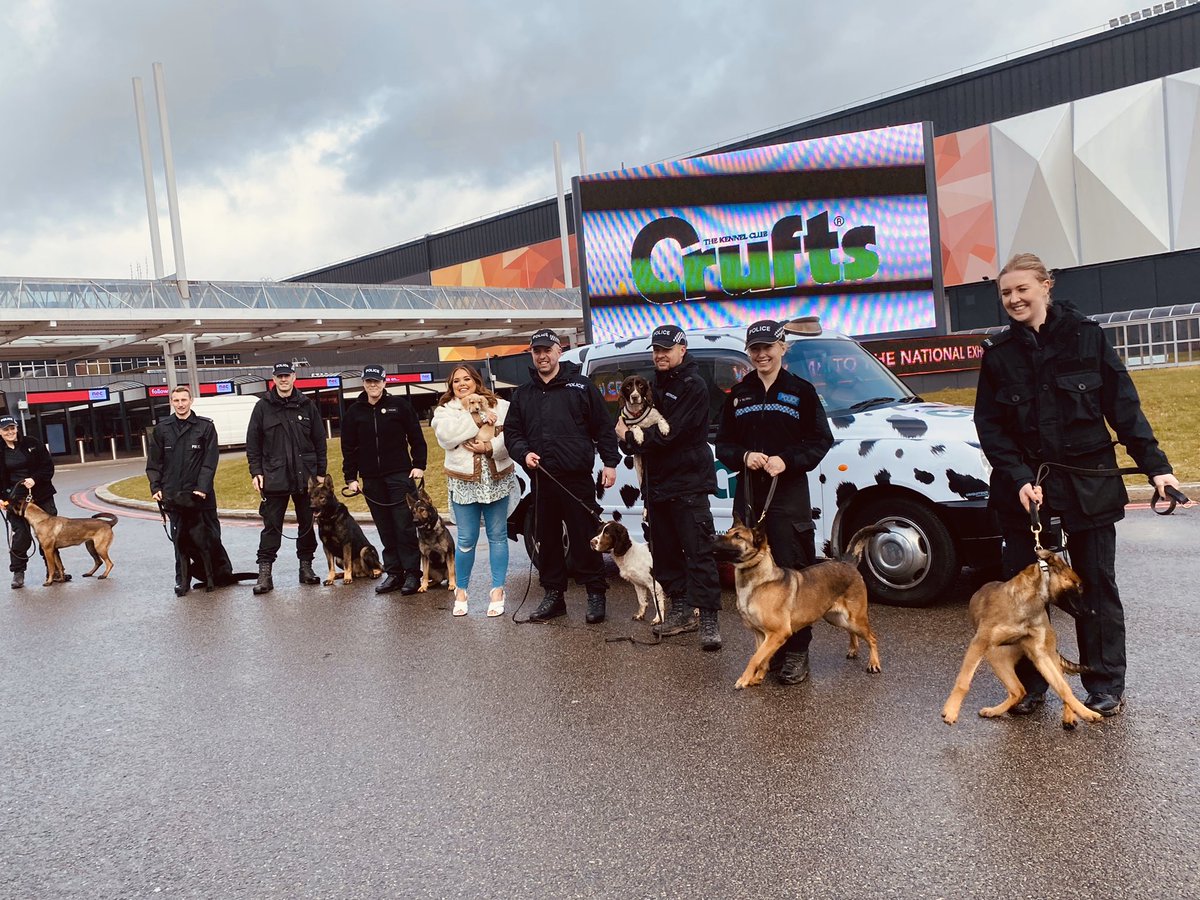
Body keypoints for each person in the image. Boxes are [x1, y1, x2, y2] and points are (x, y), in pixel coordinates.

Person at [973, 252, 1181, 718]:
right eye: (1005, 293)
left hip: (1088, 487)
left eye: (1022, 289)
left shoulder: (1088, 337)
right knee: (1023, 596)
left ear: (1046, 285)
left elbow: (1123, 407)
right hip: (1026, 494)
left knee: (1096, 586)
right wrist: (1021, 477)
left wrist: (1157, 468)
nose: (1013, 299)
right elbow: (990, 426)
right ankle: (1031, 686)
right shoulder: (999, 354)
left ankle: (1104, 684)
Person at [715, 319, 834, 682]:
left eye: (768, 347)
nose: (761, 354)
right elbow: (724, 445)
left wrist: (789, 459)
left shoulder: (801, 391)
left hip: (788, 500)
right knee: (751, 575)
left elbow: (820, 440)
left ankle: (797, 651)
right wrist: (744, 455)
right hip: (749, 500)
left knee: (795, 574)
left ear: (783, 347)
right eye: (755, 349)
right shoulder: (738, 394)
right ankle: (768, 651)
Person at [617, 324, 723, 651]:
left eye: (666, 349)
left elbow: (668, 434)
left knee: (699, 552)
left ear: (682, 349)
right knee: (663, 553)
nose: (660, 355)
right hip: (657, 486)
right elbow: (630, 432)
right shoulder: (652, 385)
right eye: (656, 350)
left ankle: (708, 618)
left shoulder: (693, 384)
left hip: (688, 483)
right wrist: (626, 438)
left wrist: (628, 437)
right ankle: (679, 610)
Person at [505, 328, 619, 624]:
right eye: (536, 351)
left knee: (584, 538)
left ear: (559, 351)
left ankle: (596, 593)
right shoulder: (523, 394)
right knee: (548, 540)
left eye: (547, 350)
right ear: (532, 354)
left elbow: (603, 427)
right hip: (541, 479)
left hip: (576, 478)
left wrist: (610, 463)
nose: (542, 356)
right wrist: (523, 453)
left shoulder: (580, 386)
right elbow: (513, 433)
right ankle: (553, 596)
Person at [431, 365, 518, 617]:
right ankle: (461, 589)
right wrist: (479, 418)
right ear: (451, 386)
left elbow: (510, 436)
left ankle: (498, 590)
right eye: (456, 381)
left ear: (476, 380)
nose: (462, 384)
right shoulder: (445, 411)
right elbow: (448, 438)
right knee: (466, 539)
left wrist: (489, 447)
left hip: (495, 478)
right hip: (464, 482)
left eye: (466, 378)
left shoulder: (501, 406)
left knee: (498, 536)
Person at [341, 364, 426, 595]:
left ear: (384, 382)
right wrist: (351, 477)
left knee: (404, 527)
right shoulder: (354, 413)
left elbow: (416, 437)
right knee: (385, 528)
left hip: (400, 475)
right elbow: (349, 448)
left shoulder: (400, 407)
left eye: (376, 381)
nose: (373, 385)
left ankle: (411, 574)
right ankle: (394, 573)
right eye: (369, 381)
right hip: (371, 479)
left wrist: (419, 464)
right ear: (363, 383)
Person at [246, 361, 328, 595]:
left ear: (294, 377)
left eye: (287, 375)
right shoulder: (263, 407)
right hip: (274, 476)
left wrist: (320, 473)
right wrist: (256, 472)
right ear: (274, 378)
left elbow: (319, 441)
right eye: (279, 376)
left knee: (306, 525)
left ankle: (306, 568)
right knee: (271, 527)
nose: (283, 380)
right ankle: (265, 573)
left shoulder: (306, 405)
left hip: (306, 477)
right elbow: (253, 444)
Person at [145, 385, 225, 596]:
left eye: (184, 400)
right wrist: (156, 487)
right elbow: (154, 462)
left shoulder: (205, 427)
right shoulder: (162, 429)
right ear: (172, 402)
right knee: (179, 542)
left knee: (211, 538)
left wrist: (202, 487)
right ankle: (183, 581)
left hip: (201, 496)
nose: (180, 404)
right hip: (174, 497)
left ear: (191, 401)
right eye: (176, 400)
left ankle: (219, 574)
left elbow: (210, 461)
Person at [1, 414, 59, 590]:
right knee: (21, 536)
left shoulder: (32, 443)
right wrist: (2, 498)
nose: (10, 432)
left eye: (12, 428)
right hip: (15, 500)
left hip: (41, 495)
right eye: (6, 429)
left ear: (17, 428)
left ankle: (54, 570)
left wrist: (34, 479)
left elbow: (48, 467)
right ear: (0, 432)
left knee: (49, 536)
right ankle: (18, 572)